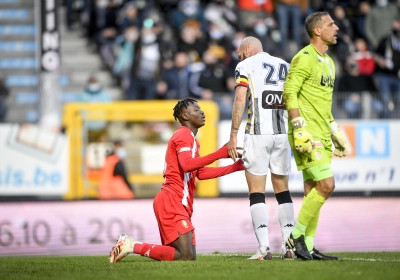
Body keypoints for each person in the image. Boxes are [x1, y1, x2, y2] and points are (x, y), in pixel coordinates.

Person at [108, 98, 244, 262]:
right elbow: (186, 165)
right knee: (185, 255)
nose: (201, 112)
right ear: (185, 116)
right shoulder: (183, 135)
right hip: (172, 200)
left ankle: (130, 245)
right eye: (196, 109)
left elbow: (199, 173)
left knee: (188, 256)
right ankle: (130, 245)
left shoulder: (192, 140)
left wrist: (235, 167)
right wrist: (220, 154)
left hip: (177, 202)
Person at [282, 11, 347, 261]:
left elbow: (324, 103)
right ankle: (296, 236)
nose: (337, 27)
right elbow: (290, 92)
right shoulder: (304, 57)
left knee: (313, 190)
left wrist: (335, 130)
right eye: (331, 24)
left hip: (322, 132)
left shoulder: (329, 63)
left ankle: (307, 246)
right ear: (317, 31)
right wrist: (298, 127)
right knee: (327, 185)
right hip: (306, 133)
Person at [227, 36, 295, 260]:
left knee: (256, 192)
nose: (239, 57)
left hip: (257, 133)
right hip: (282, 134)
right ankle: (289, 247)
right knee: (282, 191)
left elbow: (240, 99)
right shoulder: (285, 66)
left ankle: (264, 248)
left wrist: (234, 134)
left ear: (246, 50)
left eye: (239, 53)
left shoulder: (244, 65)